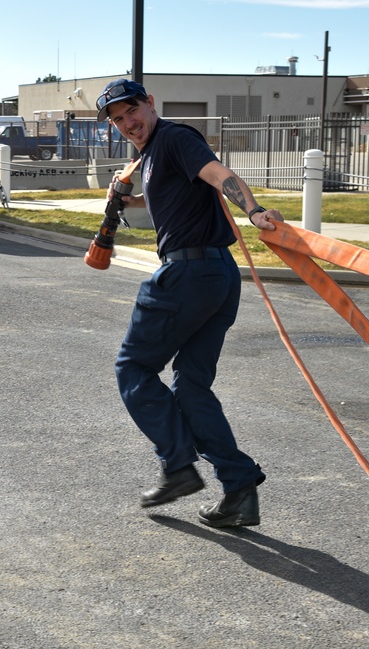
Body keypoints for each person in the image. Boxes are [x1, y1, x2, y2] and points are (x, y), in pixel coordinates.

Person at [96, 79, 284, 528]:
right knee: (190, 385)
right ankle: (238, 490)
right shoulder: (154, 153)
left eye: (131, 111)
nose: (127, 123)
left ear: (150, 103)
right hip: (217, 275)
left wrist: (254, 210)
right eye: (118, 120)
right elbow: (173, 199)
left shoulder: (176, 138)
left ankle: (177, 466)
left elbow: (219, 175)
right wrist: (126, 199)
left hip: (186, 275)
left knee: (133, 368)